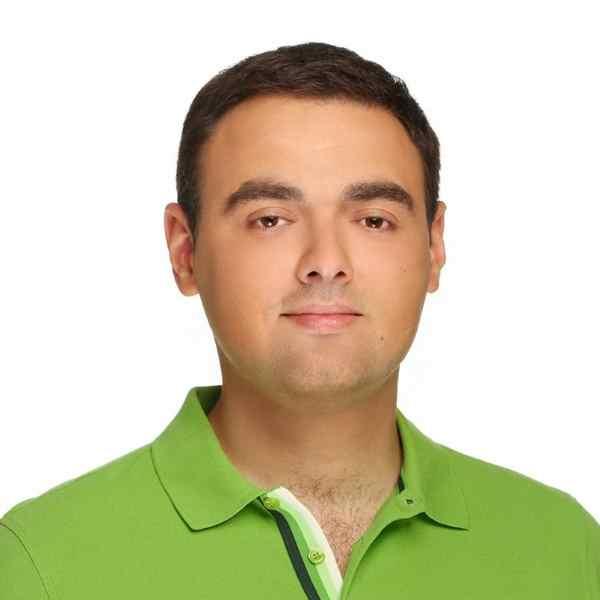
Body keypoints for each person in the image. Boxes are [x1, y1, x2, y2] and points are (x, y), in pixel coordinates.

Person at [1, 41, 598, 600]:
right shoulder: (38, 563)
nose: (326, 262)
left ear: (434, 246)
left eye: (374, 220)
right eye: (270, 219)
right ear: (185, 252)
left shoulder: (566, 550)